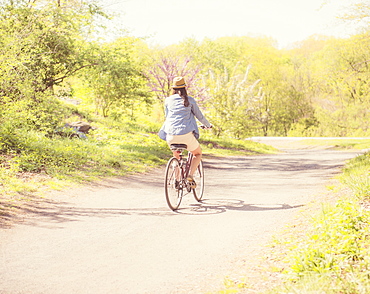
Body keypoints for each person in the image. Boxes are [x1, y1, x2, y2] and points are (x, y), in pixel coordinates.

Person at [158, 76, 212, 188]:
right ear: (184, 88)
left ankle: (176, 181)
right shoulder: (190, 100)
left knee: (176, 156)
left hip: (171, 135)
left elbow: (168, 117)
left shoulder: (168, 100)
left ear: (173, 88)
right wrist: (208, 125)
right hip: (186, 135)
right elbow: (200, 117)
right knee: (197, 153)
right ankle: (190, 175)